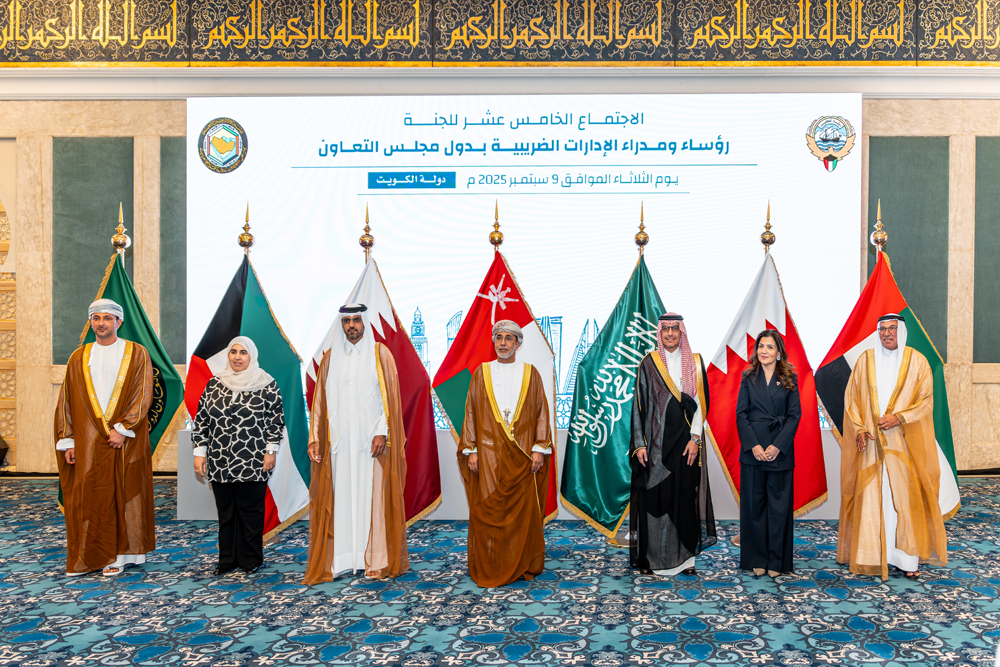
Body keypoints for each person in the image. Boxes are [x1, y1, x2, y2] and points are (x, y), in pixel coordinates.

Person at [838, 313, 950, 580]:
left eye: (891, 328)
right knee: (872, 498)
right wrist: (861, 429)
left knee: (904, 499)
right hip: (872, 448)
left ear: (901, 330)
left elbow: (925, 403)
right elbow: (851, 400)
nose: (887, 333)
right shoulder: (865, 361)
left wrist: (899, 418)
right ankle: (870, 556)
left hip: (904, 445)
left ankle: (907, 558)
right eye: (882, 329)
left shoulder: (917, 362)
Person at [304, 304, 408, 583]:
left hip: (369, 445)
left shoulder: (380, 354)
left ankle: (373, 558)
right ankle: (343, 560)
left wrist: (383, 432)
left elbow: (391, 400)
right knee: (341, 499)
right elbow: (319, 405)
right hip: (338, 446)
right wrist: (314, 438)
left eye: (357, 320)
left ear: (365, 323)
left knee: (369, 498)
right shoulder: (329, 359)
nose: (352, 325)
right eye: (347, 321)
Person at [54, 299, 155, 577]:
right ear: (91, 322)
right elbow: (66, 402)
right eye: (96, 318)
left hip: (126, 441)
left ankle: (121, 556)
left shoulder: (136, 353)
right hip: (88, 441)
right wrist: (69, 440)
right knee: (91, 496)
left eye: (107, 318)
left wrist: (122, 429)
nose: (101, 323)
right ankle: (92, 553)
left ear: (118, 323)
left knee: (124, 494)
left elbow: (143, 394)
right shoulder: (79, 357)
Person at [458, 320, 553, 587]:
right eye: (498, 337)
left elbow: (540, 412)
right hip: (487, 454)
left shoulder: (530, 373)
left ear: (518, 344)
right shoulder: (482, 372)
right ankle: (492, 561)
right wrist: (472, 450)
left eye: (508, 339)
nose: (502, 343)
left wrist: (539, 448)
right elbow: (471, 412)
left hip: (522, 454)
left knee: (520, 511)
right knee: (490, 507)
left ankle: (522, 560)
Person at [629, 313, 716, 576]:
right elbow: (639, 406)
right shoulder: (649, 363)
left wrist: (696, 439)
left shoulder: (696, 363)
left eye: (674, 329)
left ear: (682, 332)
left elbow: (700, 405)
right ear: (659, 332)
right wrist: (640, 444)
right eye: (665, 329)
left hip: (687, 446)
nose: (669, 333)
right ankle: (653, 560)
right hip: (656, 447)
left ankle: (686, 561)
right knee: (656, 500)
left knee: (684, 499)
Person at [192, 336, 284, 575]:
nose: (237, 357)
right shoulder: (215, 383)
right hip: (220, 460)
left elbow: (275, 422)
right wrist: (200, 453)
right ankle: (227, 560)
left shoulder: (266, 383)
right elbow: (201, 421)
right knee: (226, 513)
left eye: (243, 352)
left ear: (251, 356)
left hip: (253, 460)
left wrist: (270, 451)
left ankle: (251, 558)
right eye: (233, 352)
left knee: (250, 512)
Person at [736, 329, 801, 578]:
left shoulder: (789, 377)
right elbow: (741, 414)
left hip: (779, 451)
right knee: (755, 508)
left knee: (778, 509)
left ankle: (777, 561)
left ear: (779, 352)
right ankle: (758, 558)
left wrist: (777, 446)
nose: (764, 351)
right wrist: (754, 445)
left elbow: (795, 415)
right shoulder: (747, 377)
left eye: (770, 347)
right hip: (753, 452)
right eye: (761, 346)